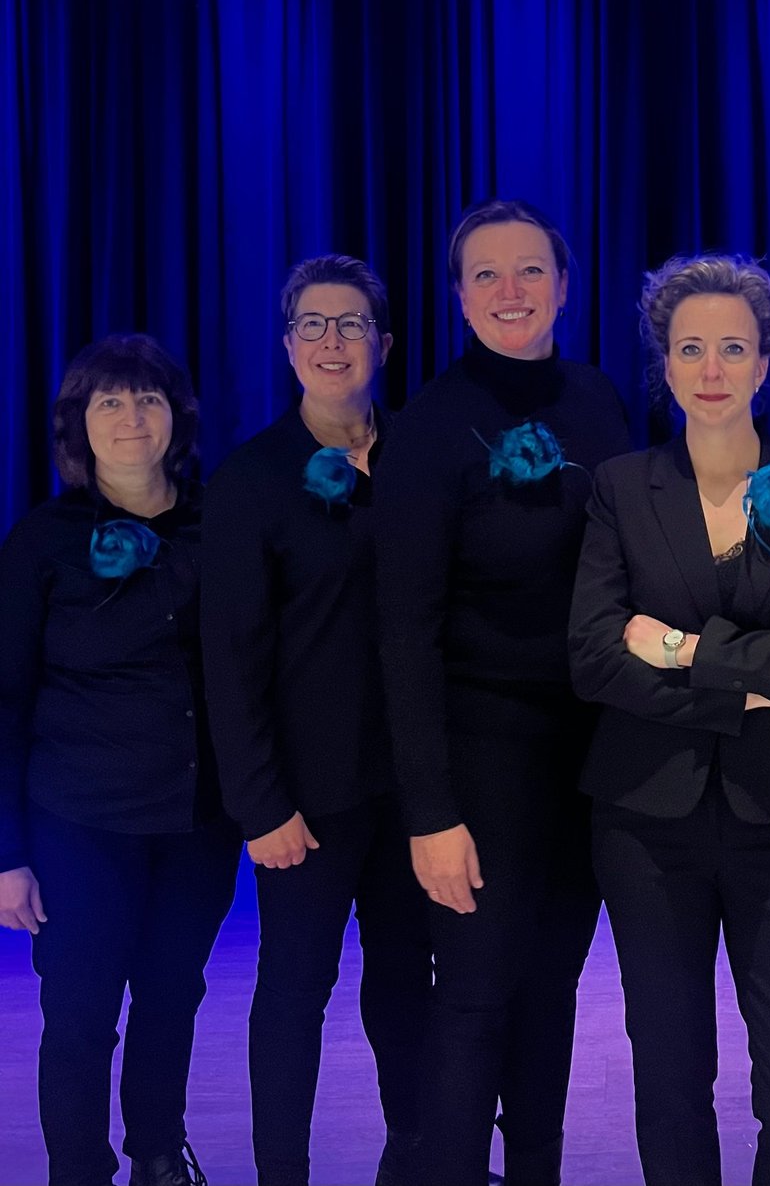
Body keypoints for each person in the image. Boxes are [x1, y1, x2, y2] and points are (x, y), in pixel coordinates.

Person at [569, 254, 770, 1186]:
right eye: (691, 347)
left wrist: (679, 650)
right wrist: (765, 675)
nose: (712, 368)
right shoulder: (622, 486)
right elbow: (594, 657)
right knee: (670, 1079)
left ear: (764, 364)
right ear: (663, 363)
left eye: (733, 348)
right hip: (644, 822)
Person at [374, 200, 630, 1186]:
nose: (510, 290)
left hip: (587, 755)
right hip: (479, 758)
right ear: (459, 296)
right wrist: (430, 812)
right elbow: (404, 631)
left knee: (552, 987)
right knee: (476, 996)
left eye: (530, 270)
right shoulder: (431, 426)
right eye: (486, 273)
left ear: (564, 286)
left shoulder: (600, 399)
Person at [201, 255, 430, 1186]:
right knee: (296, 993)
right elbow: (229, 660)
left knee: (408, 984)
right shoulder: (252, 479)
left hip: (415, 789)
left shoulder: (423, 458)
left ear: (385, 342)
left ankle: (415, 1158)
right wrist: (261, 806)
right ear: (289, 344)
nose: (332, 342)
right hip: (305, 799)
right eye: (312, 325)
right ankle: (282, 1173)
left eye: (351, 324)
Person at [0, 335, 236, 1186]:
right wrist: (6, 855)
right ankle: (79, 1172)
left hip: (196, 821)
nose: (131, 417)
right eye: (109, 401)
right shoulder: (42, 541)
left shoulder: (222, 524)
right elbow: (4, 698)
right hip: (78, 825)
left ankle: (158, 1155)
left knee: (172, 998)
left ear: (177, 417)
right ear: (79, 424)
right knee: (80, 1014)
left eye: (147, 399)